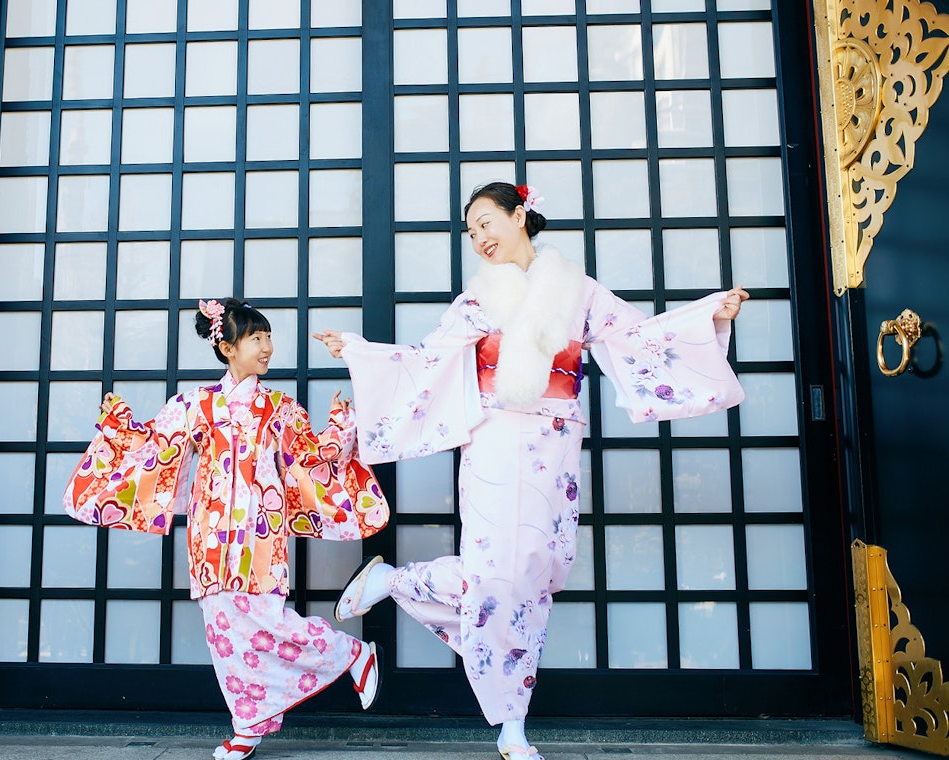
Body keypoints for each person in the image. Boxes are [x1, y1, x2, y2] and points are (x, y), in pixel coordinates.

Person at [313, 182, 749, 760]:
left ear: (521, 216)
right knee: (496, 577)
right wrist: (362, 352)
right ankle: (510, 722)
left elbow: (639, 340)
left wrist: (706, 317)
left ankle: (395, 583)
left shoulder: (577, 290)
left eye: (487, 223)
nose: (480, 239)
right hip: (493, 440)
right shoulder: (475, 303)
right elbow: (425, 363)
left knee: (538, 573)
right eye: (471, 232)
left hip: (557, 442)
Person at [65, 297, 391, 760]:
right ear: (226, 348)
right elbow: (153, 446)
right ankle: (247, 726)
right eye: (256, 338)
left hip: (261, 531)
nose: (268, 347)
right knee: (224, 631)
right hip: (210, 533)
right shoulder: (194, 404)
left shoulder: (279, 407)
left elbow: (311, 458)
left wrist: (341, 426)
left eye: (268, 337)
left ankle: (349, 655)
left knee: (266, 621)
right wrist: (119, 428)